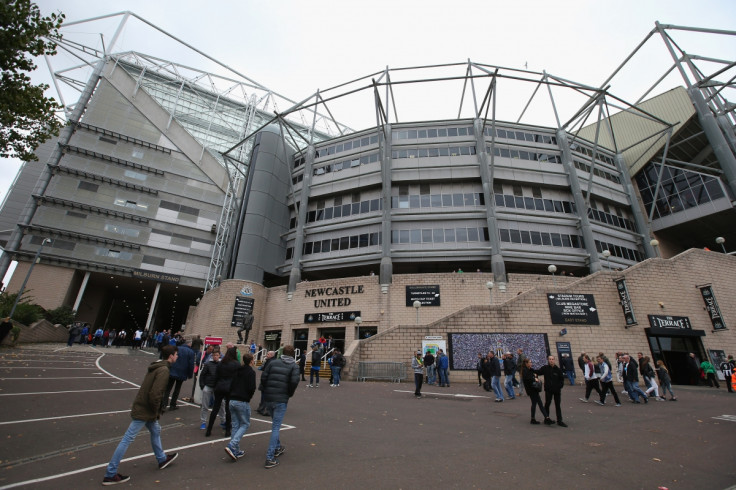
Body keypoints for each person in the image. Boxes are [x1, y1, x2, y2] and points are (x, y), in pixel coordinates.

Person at [101, 344, 179, 485]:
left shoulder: (156, 366)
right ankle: (110, 473)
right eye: (176, 354)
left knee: (156, 430)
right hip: (146, 409)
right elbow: (155, 394)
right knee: (128, 438)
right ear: (171, 355)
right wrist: (156, 409)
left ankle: (161, 458)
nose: (177, 357)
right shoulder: (163, 371)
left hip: (144, 407)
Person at [261, 344, 299, 469]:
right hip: (281, 399)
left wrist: (265, 390)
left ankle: (277, 447)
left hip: (269, 397)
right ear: (293, 354)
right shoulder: (294, 366)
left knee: (275, 423)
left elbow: (264, 377)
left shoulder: (273, 363)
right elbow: (294, 382)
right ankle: (270, 457)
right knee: (276, 427)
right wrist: (289, 393)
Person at [225, 352, 256, 461]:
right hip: (242, 400)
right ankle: (232, 444)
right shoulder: (251, 372)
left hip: (232, 400)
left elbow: (231, 384)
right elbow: (252, 387)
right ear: (251, 361)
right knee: (245, 424)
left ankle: (235, 450)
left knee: (235, 425)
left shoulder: (237, 370)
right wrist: (248, 397)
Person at [206, 347, 238, 437]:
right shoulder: (236, 364)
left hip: (219, 387)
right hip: (230, 388)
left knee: (215, 409)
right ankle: (228, 430)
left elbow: (217, 376)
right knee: (228, 410)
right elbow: (237, 378)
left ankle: (209, 430)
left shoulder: (221, 363)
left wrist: (215, 386)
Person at [162, 339, 194, 411]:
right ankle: (173, 404)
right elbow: (191, 365)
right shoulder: (191, 352)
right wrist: (190, 374)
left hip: (172, 370)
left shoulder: (176, 348)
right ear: (190, 344)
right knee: (177, 389)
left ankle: (164, 404)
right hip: (182, 372)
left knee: (168, 388)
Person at [520, 358, 554, 425]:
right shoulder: (525, 370)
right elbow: (528, 379)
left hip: (533, 389)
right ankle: (546, 418)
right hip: (532, 389)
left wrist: (535, 376)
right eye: (530, 362)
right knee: (539, 404)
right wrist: (534, 378)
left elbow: (535, 373)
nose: (531, 363)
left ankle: (535, 418)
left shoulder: (529, 369)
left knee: (535, 404)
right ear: (526, 363)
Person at [536, 355, 567, 427]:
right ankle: (547, 418)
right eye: (550, 359)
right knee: (547, 404)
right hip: (548, 390)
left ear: (554, 360)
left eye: (552, 359)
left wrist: (559, 386)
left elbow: (561, 380)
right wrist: (530, 369)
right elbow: (538, 372)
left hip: (557, 390)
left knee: (557, 405)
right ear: (548, 360)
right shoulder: (545, 368)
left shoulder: (558, 370)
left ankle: (559, 420)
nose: (551, 360)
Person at [199, 350, 226, 430]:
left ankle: (223, 420)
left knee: (222, 404)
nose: (215, 357)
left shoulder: (222, 365)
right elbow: (202, 375)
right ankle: (203, 421)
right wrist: (202, 386)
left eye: (217, 355)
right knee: (205, 405)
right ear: (212, 356)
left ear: (219, 356)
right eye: (214, 355)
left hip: (217, 387)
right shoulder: (208, 364)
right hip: (208, 386)